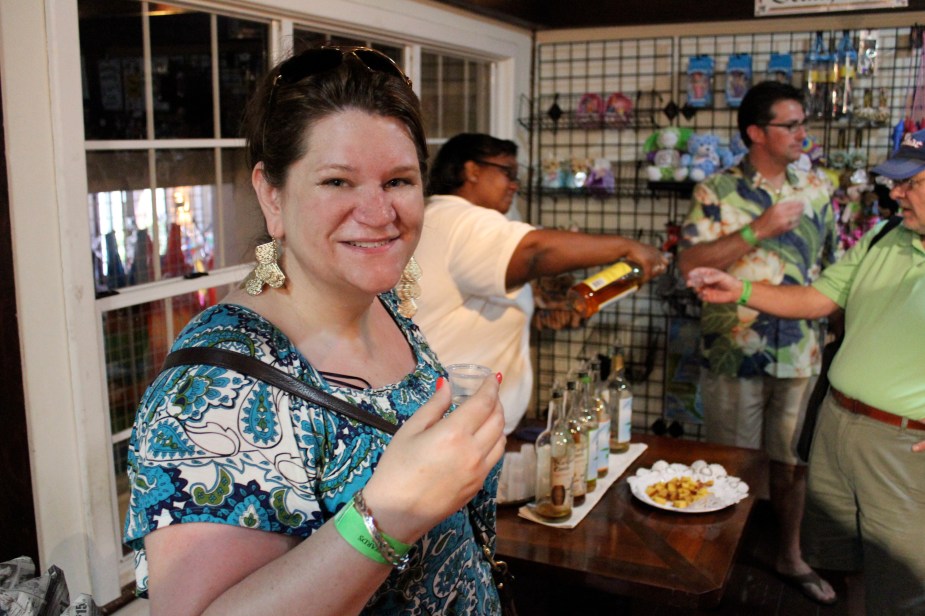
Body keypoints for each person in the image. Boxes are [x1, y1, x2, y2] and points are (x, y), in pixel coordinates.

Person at [122, 47, 507, 616]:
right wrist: (387, 515)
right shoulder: (212, 392)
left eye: (398, 180)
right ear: (271, 194)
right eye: (337, 181)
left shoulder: (380, 306)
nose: (379, 212)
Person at [685, 127, 925, 616]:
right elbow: (818, 298)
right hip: (838, 425)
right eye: (896, 182)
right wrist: (740, 290)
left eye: (911, 183)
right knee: (848, 566)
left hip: (903, 444)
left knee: (901, 587)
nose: (896, 193)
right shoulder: (885, 235)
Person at [676, 81, 838, 605]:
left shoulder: (818, 187)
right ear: (756, 132)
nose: (802, 133)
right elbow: (688, 265)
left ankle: (790, 556)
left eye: (802, 123)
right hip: (734, 348)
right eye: (790, 124)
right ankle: (720, 563)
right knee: (732, 461)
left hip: (800, 348)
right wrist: (757, 230)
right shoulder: (716, 190)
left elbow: (832, 268)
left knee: (793, 462)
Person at [413, 133, 669, 434]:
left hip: (454, 421)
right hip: (454, 426)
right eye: (507, 172)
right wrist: (626, 247)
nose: (514, 184)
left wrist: (546, 304)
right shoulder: (466, 221)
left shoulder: (441, 217)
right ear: (472, 170)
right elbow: (535, 252)